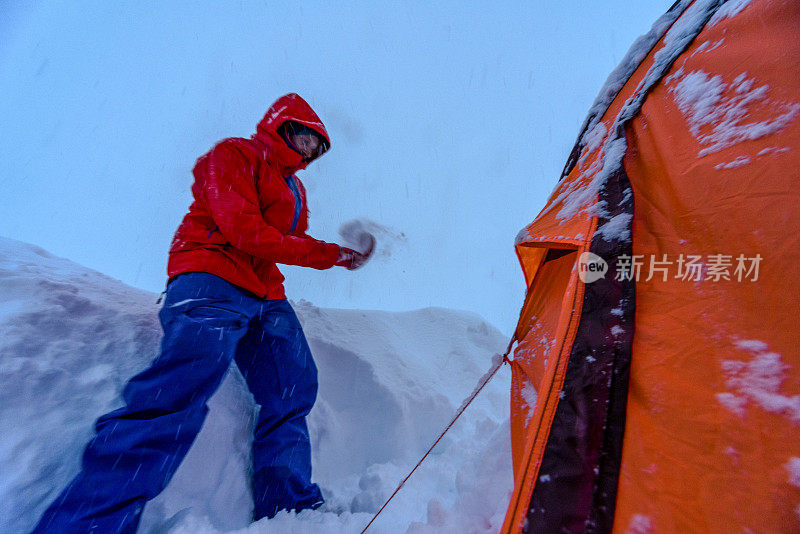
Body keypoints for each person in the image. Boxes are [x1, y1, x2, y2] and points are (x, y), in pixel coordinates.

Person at [32, 93, 367, 533]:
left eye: (316, 150)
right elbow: (246, 231)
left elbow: (284, 241)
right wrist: (332, 255)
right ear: (283, 124)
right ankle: (89, 522)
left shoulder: (295, 188)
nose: (308, 153)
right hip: (210, 276)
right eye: (306, 140)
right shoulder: (235, 154)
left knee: (293, 386)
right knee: (181, 385)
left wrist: (340, 252)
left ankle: (288, 507)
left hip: (265, 293)